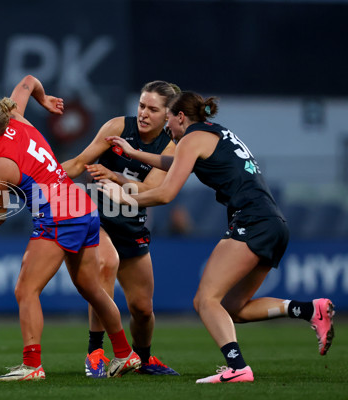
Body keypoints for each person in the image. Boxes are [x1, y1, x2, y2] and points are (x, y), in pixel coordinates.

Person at [100, 91, 335, 383]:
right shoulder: (215, 132)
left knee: (205, 300)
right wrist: (134, 153)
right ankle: (310, 309)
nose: (168, 130)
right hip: (273, 222)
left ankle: (237, 367)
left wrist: (121, 197)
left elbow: (165, 194)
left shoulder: (189, 139)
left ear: (181, 117)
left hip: (252, 220)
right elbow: (173, 163)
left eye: (169, 121)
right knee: (233, 308)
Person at [0, 75, 141, 381]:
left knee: (26, 289)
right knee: (92, 289)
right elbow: (28, 82)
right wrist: (44, 98)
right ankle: (125, 354)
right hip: (80, 204)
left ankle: (32, 365)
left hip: (58, 214)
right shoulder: (14, 116)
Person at [61, 81, 179, 377]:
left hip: (131, 225)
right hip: (96, 219)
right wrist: (42, 176)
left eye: (153, 109)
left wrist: (113, 176)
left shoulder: (171, 147)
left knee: (142, 309)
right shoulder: (117, 127)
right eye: (141, 106)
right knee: (105, 264)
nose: (143, 113)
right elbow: (78, 163)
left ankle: (143, 359)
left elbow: (152, 189)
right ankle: (95, 352)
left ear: (168, 115)